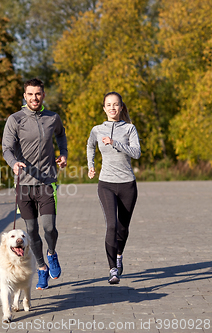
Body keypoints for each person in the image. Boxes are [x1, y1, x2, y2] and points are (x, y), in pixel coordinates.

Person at [2, 78, 68, 290]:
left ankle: (52, 254)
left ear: (43, 95)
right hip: (24, 184)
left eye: (38, 94)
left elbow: (61, 135)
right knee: (31, 231)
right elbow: (7, 149)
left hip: (47, 181)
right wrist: (13, 163)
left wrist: (63, 154)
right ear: (24, 96)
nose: (34, 98)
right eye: (30, 94)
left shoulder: (52, 118)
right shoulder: (15, 119)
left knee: (49, 227)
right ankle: (41, 269)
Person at [87, 91, 141, 284]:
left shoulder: (130, 129)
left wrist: (115, 143)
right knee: (112, 225)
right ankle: (112, 269)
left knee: (123, 228)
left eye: (116, 104)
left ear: (121, 107)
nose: (112, 108)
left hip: (127, 184)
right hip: (106, 183)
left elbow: (136, 153)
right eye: (108, 104)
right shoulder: (97, 129)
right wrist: (91, 165)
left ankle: (119, 255)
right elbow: (90, 146)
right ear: (104, 108)